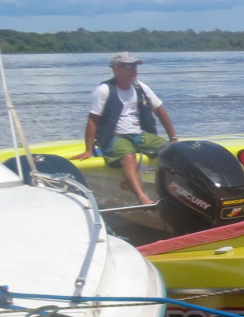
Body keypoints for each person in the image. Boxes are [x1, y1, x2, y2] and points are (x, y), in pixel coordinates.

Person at [75, 53, 177, 205]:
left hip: (138, 134)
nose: (134, 70)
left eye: (135, 66)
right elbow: (92, 121)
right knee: (128, 155)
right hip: (113, 137)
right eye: (128, 66)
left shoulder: (141, 87)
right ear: (116, 69)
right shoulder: (104, 90)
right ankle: (142, 197)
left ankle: (172, 187)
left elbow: (160, 111)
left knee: (172, 151)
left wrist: (173, 139)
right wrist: (89, 149)